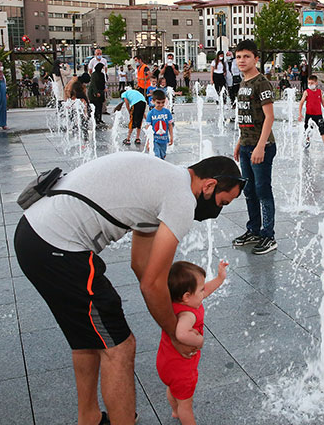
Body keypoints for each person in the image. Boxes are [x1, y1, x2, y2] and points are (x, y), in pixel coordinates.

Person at [14, 154, 244, 425]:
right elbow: (152, 282)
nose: (217, 211)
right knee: (120, 348)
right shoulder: (181, 197)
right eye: (222, 202)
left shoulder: (164, 181)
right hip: (59, 246)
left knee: (90, 338)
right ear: (209, 186)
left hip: (34, 235)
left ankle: (88, 417)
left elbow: (140, 266)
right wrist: (175, 332)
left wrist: (168, 312)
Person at [157, 260, 228, 425]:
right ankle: (181, 413)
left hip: (165, 362)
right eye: (201, 289)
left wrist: (220, 277)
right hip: (182, 367)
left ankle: (175, 411)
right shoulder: (188, 314)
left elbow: (206, 291)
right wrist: (199, 340)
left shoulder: (176, 303)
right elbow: (181, 334)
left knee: (172, 388)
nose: (204, 292)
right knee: (186, 404)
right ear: (187, 296)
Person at [231, 40, 278, 256]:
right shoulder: (243, 83)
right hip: (248, 145)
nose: (241, 60)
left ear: (256, 59)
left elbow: (269, 117)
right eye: (238, 56)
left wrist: (260, 146)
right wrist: (240, 142)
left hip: (263, 147)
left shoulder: (261, 83)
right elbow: (245, 117)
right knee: (249, 191)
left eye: (246, 56)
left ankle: (268, 236)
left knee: (262, 190)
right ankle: (254, 230)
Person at [297, 75, 324, 153]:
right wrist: (300, 114)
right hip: (309, 115)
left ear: (316, 83)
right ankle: (307, 141)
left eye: (312, 83)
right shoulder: (306, 92)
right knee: (308, 129)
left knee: (322, 129)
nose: (310, 84)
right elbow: (301, 103)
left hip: (318, 114)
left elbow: (323, 102)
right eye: (309, 83)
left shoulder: (319, 92)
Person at [145, 89, 174, 159]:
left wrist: (171, 137)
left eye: (163, 102)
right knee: (157, 156)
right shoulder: (151, 113)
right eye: (158, 102)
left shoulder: (167, 112)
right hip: (155, 140)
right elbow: (147, 127)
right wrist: (148, 141)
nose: (161, 105)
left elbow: (170, 125)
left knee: (162, 156)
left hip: (164, 139)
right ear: (153, 101)